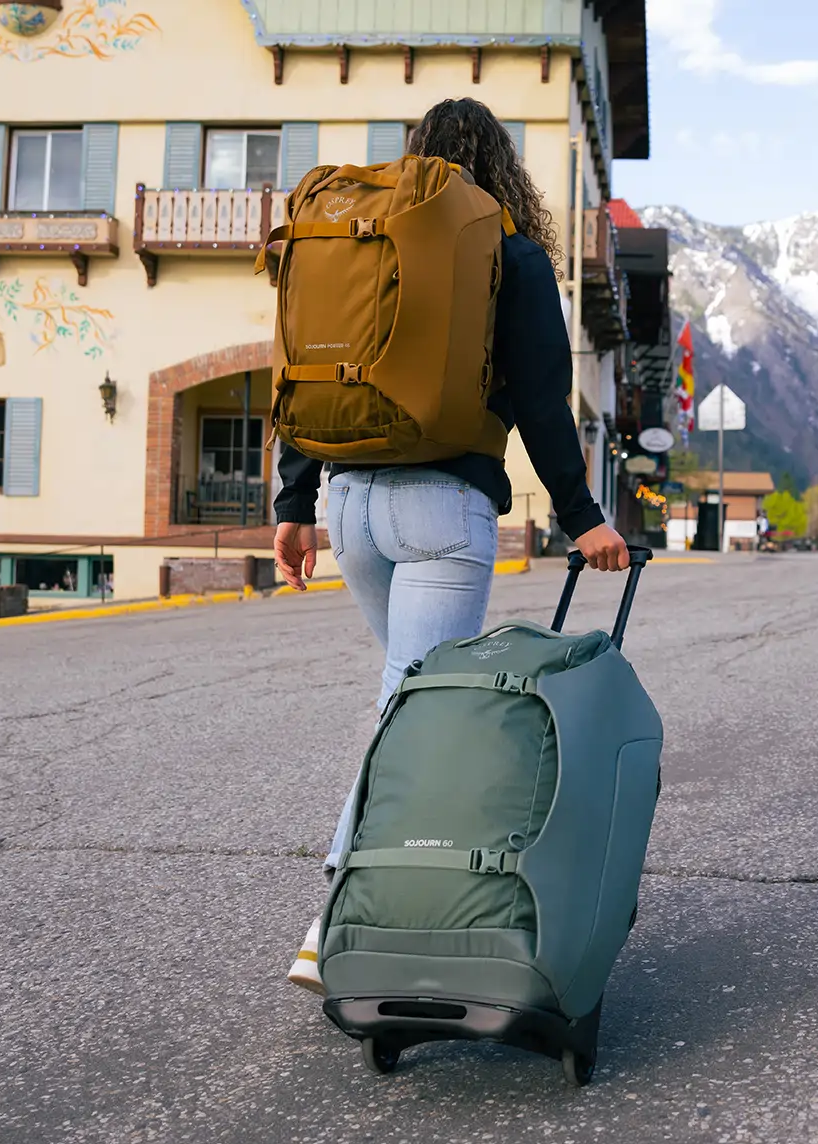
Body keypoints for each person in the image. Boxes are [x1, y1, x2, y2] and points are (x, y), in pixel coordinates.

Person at [274, 97, 631, 996]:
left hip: (349, 505)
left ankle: (392, 903)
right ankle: (332, 923)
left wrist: (292, 500)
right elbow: (545, 402)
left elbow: (310, 366)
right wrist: (584, 516)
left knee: (403, 695)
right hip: (442, 511)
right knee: (409, 710)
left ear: (419, 159)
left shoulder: (368, 244)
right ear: (501, 167)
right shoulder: (508, 251)